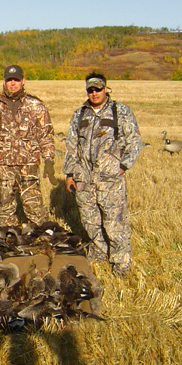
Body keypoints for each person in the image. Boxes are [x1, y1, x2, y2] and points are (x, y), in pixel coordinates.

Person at [64, 72, 143, 276]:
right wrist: (70, 173)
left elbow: (134, 140)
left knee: (114, 221)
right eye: (90, 89)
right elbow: (71, 146)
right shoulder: (80, 114)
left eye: (98, 89)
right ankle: (98, 253)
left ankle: (120, 262)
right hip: (84, 179)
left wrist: (123, 165)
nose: (94, 93)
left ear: (106, 89)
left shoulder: (120, 111)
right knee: (89, 220)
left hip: (110, 179)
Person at [0, 65, 56, 227]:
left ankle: (41, 241)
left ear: (23, 81)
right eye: (9, 80)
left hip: (28, 164)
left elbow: (45, 134)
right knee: (5, 209)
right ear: (4, 81)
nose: (12, 83)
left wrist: (49, 161)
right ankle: (9, 244)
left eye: (16, 80)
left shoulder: (35, 104)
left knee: (35, 208)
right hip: (1, 165)